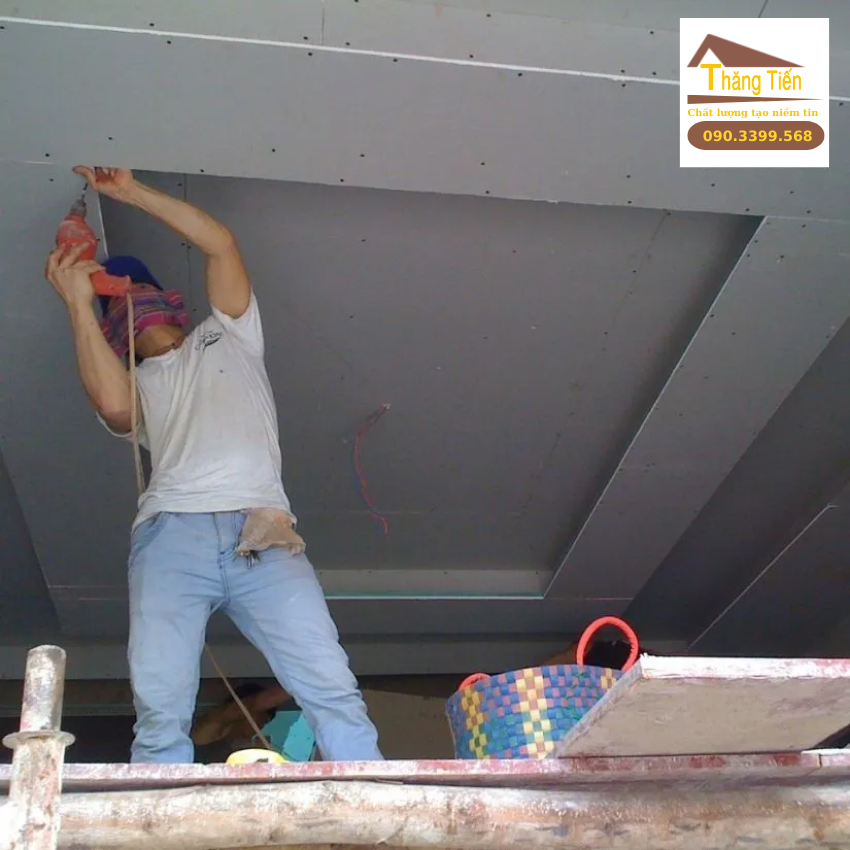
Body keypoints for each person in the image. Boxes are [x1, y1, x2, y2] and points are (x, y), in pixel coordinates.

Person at [44, 166, 382, 764]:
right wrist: (78, 303)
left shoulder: (227, 335)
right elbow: (114, 408)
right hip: (172, 536)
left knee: (329, 683)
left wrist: (128, 192)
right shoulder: (138, 385)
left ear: (168, 300)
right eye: (119, 302)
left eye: (136, 291)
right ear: (115, 332)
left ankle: (374, 796)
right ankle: (161, 807)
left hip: (263, 534)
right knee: (161, 703)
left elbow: (220, 244)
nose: (133, 304)